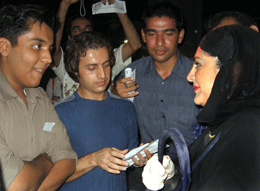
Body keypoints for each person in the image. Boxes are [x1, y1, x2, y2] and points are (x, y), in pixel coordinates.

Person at [143, 24, 260, 190]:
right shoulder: (226, 120)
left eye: (198, 64)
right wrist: (171, 174)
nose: (190, 76)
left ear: (231, 70)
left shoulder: (247, 131)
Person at [111, 3, 200, 190]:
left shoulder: (197, 74)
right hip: (144, 171)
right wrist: (113, 93)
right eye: (152, 34)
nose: (159, 43)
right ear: (143, 35)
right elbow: (114, 118)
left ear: (180, 35)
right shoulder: (131, 73)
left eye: (168, 34)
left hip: (191, 170)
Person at [0, 4, 77, 190]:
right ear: (4, 47)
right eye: (37, 46)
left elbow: (67, 161)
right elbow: (15, 185)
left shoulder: (40, 97)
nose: (48, 58)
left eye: (49, 48)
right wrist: (45, 160)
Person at [55, 31, 138, 190]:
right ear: (74, 69)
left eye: (106, 65)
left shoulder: (127, 108)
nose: (102, 74)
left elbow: (127, 160)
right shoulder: (59, 113)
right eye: (92, 68)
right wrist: (94, 159)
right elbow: (50, 176)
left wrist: (139, 157)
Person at [51, 0, 141, 99]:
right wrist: (64, 4)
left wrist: (117, 7)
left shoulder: (106, 59)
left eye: (87, 29)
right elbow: (53, 47)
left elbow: (134, 45)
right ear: (69, 37)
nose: (83, 32)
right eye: (77, 29)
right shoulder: (66, 63)